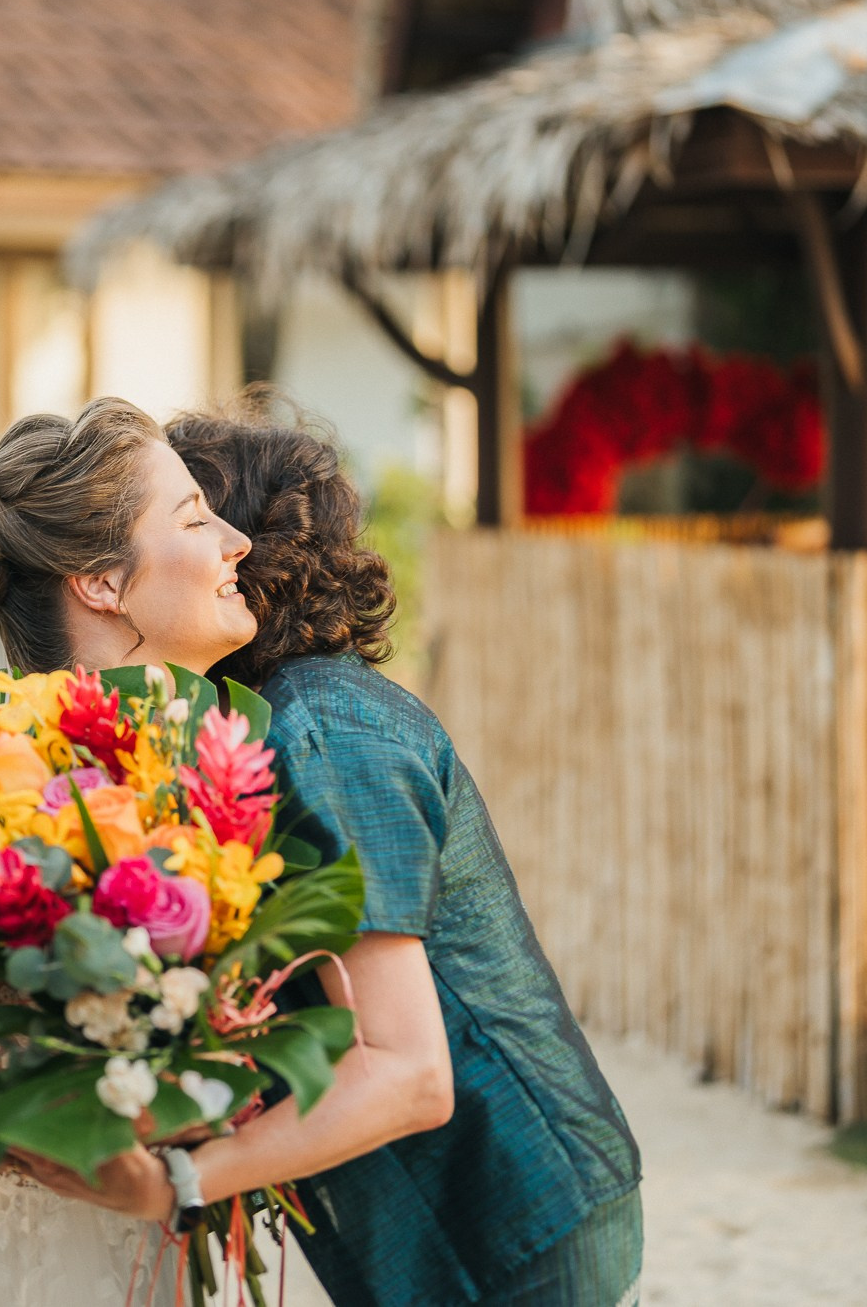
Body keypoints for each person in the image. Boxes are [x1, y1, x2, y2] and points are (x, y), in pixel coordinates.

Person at [0, 396, 457, 1307]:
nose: (237, 541)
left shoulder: (231, 777)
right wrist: (37, 1105)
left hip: (139, 1245)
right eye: (192, 517)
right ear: (101, 582)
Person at [53, 405, 638, 1307]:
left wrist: (190, 1179)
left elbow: (408, 1075)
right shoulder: (285, 719)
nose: (222, 543)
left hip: (506, 1210)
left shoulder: (320, 728)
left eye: (206, 514)